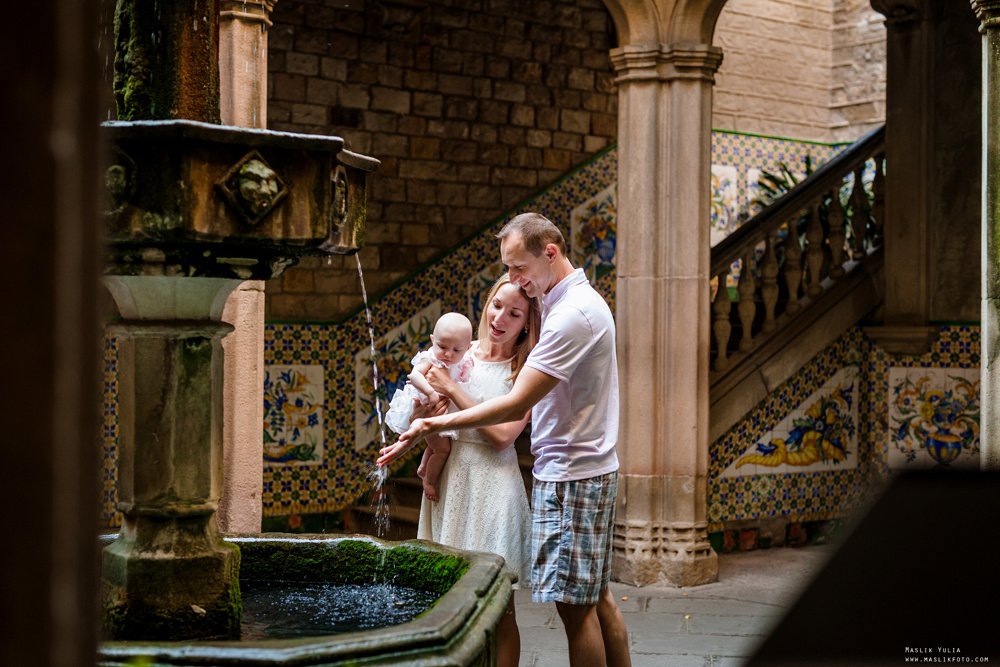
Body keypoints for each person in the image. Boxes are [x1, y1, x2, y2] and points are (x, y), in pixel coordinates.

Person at [379, 212, 632, 667]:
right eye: (507, 273)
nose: (513, 279)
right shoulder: (564, 303)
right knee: (597, 597)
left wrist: (433, 426)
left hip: (572, 473)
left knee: (576, 610)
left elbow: (514, 408)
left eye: (518, 268)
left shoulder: (571, 313)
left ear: (549, 253)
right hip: (577, 467)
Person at [410, 273, 540, 667]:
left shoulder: (528, 371)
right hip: (453, 481)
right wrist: (426, 407)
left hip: (495, 487)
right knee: (444, 597)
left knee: (500, 608)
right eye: (496, 305)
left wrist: (451, 390)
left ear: (526, 323)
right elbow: (421, 409)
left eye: (514, 313)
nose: (500, 318)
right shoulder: (457, 352)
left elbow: (503, 436)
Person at [384, 311, 473, 501]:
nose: (448, 354)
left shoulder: (463, 363)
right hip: (427, 412)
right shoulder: (430, 358)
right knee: (443, 450)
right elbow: (414, 376)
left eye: (456, 350)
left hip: (440, 414)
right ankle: (429, 481)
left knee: (435, 447)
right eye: (442, 346)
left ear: (468, 348)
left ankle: (424, 468)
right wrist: (431, 392)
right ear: (433, 340)